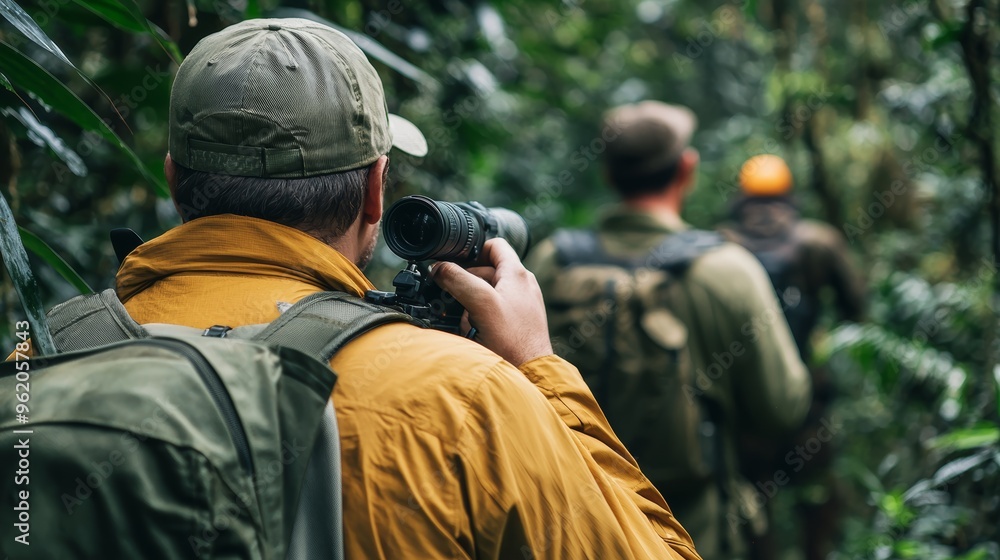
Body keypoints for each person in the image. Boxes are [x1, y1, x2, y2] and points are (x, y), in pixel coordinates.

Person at [112, 19, 700, 559]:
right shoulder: (468, 401)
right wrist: (537, 367)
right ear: (376, 188)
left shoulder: (42, 356)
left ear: (172, 179)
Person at [525, 101, 811, 559]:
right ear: (687, 169)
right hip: (691, 534)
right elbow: (781, 408)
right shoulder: (728, 270)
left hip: (564, 532)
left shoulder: (550, 262)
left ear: (608, 174)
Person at [718, 154, 866, 560]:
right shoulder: (818, 242)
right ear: (789, 194)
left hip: (746, 403)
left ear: (742, 195)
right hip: (808, 399)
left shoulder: (723, 244)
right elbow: (856, 307)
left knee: (755, 501)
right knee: (817, 496)